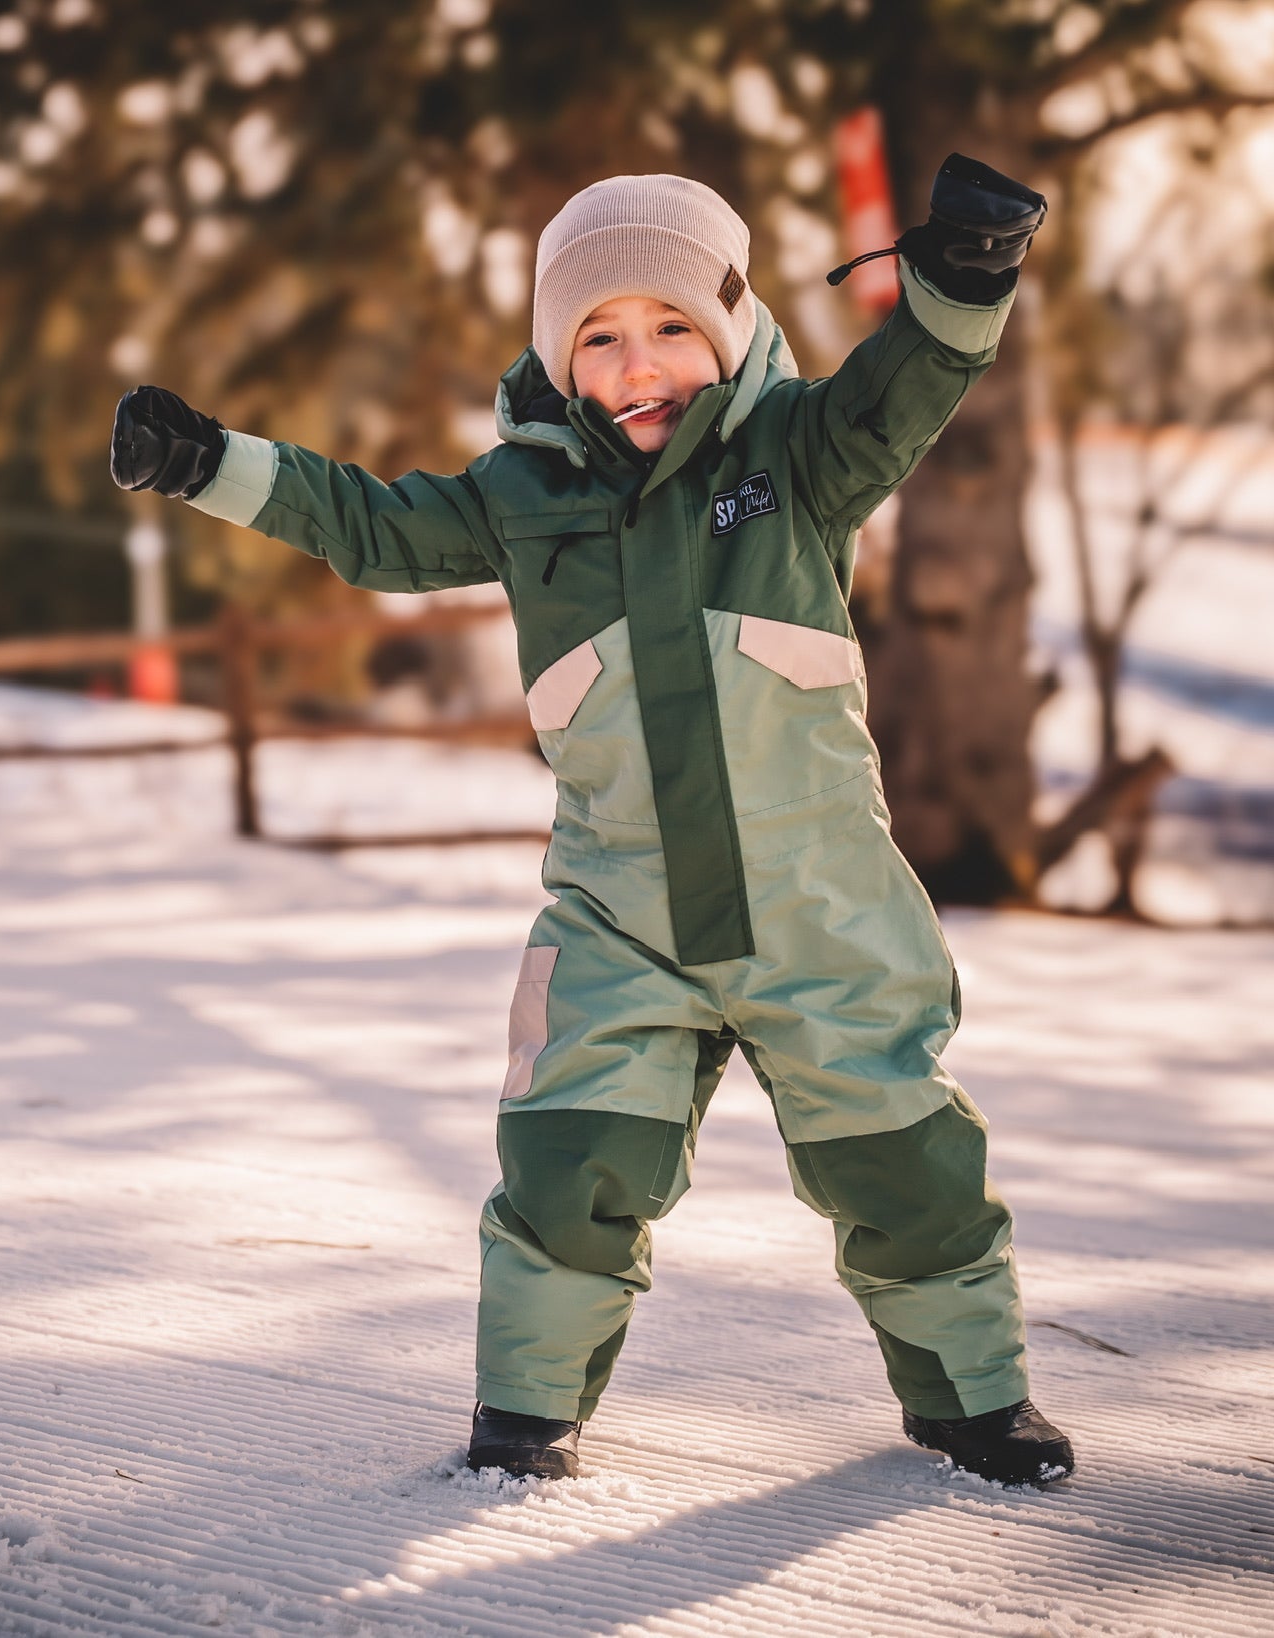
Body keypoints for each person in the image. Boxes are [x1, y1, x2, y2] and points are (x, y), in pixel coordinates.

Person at [110, 159, 1074, 1488]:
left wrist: (963, 280)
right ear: (558, 359)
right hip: (622, 912)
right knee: (567, 1150)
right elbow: (372, 528)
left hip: (819, 903)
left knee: (902, 1155)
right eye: (602, 335)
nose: (641, 364)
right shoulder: (523, 497)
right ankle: (527, 1402)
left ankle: (973, 1394)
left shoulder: (798, 455)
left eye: (674, 327)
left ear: (731, 334)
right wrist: (212, 463)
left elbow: (906, 388)